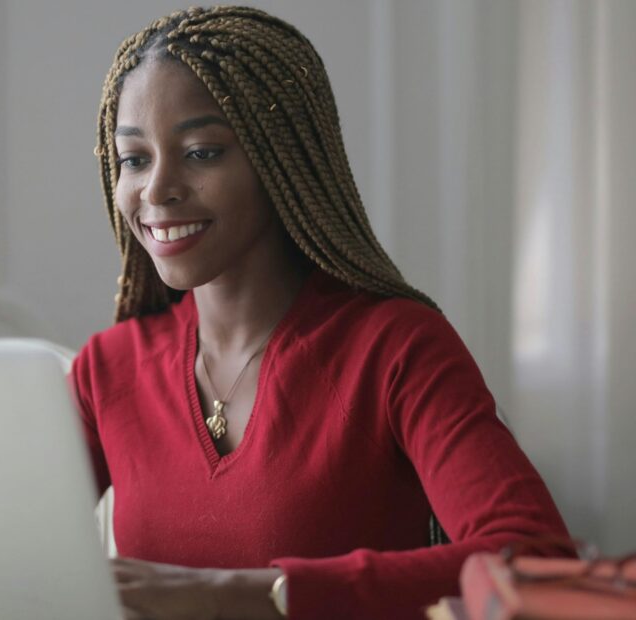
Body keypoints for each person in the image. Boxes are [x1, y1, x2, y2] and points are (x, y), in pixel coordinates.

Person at [69, 6, 569, 619]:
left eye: (201, 153)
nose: (156, 189)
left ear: (281, 157)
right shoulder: (108, 369)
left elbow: (534, 559)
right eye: (134, 159)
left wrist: (244, 593)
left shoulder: (395, 347)